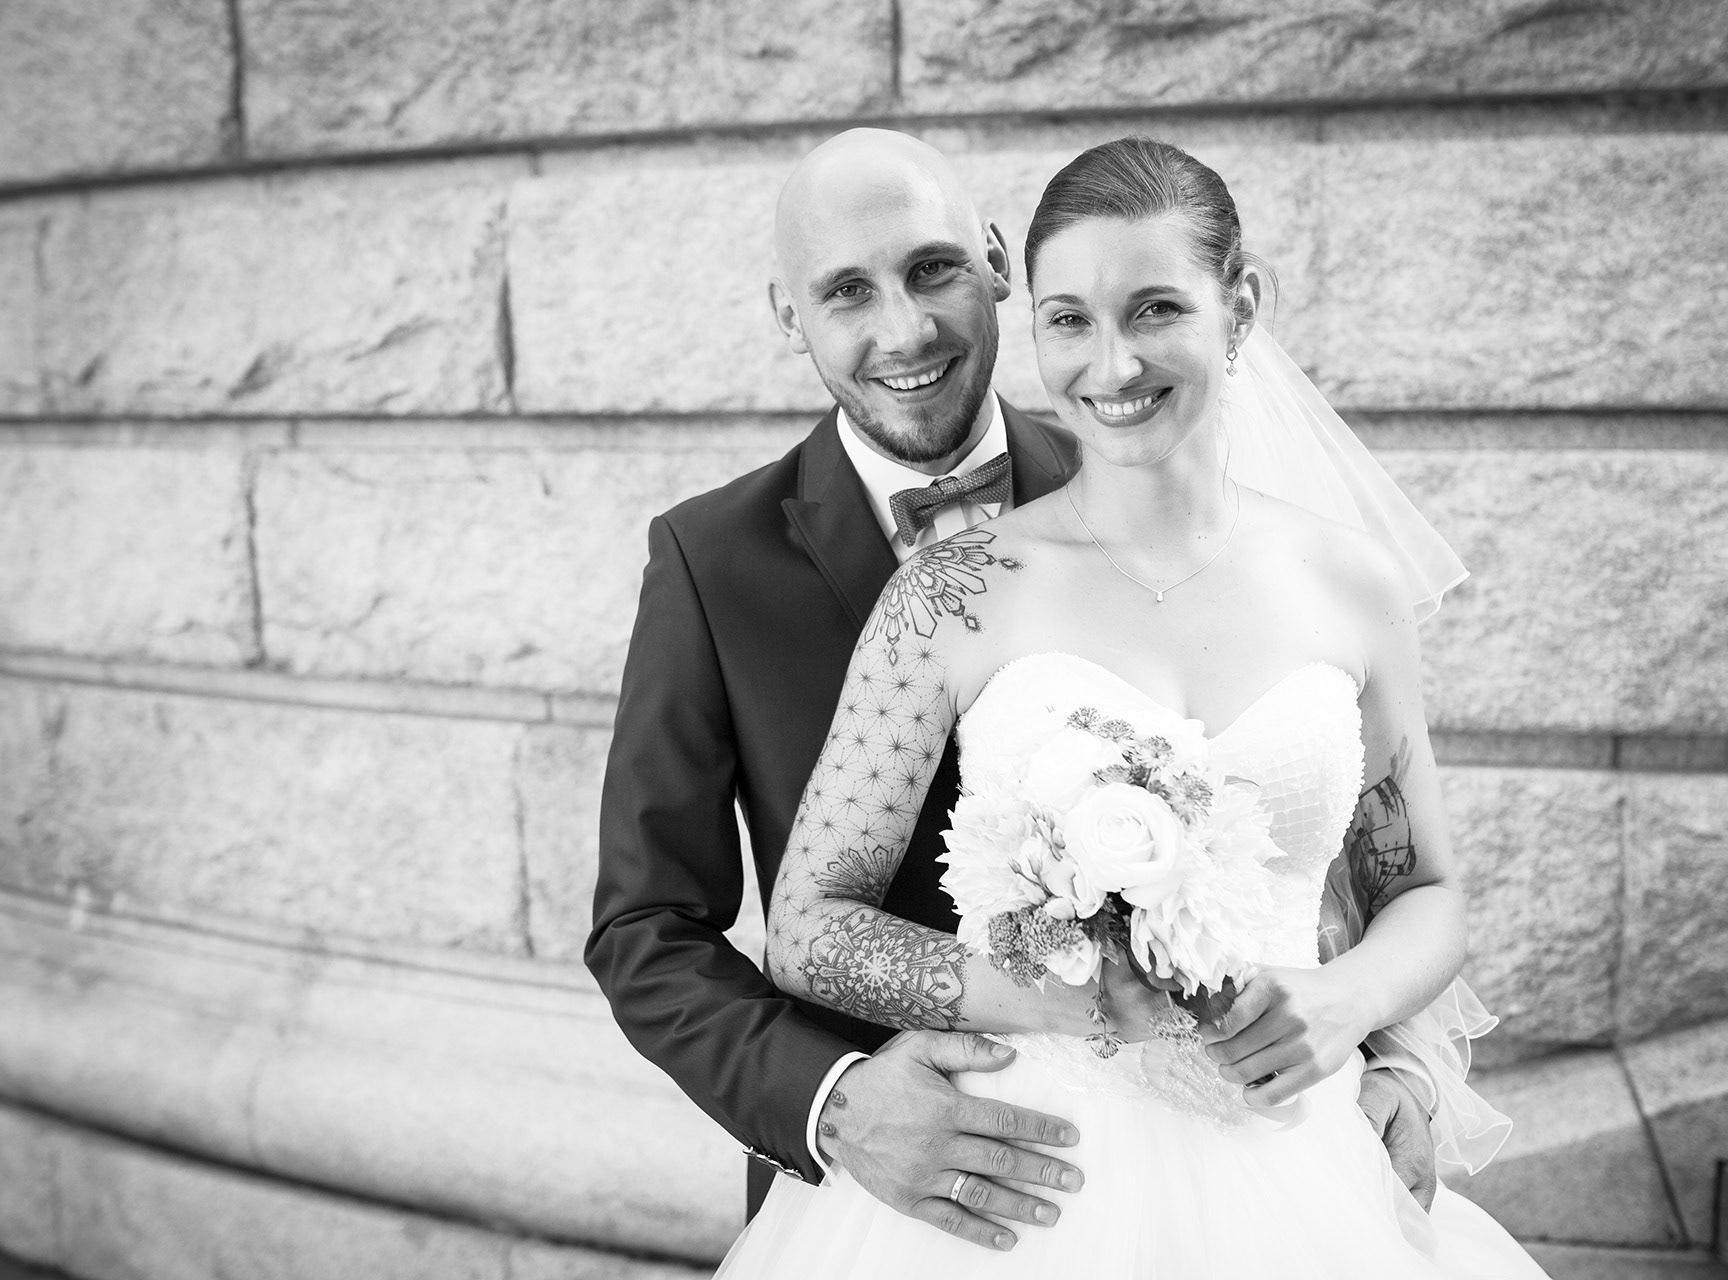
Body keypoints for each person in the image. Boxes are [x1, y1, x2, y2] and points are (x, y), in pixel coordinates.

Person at [585, 126, 1443, 1255]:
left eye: (933, 268)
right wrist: (833, 1099)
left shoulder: (1182, 478)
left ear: (995, 266)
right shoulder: (712, 562)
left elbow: (1350, 846)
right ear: (791, 316)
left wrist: (1397, 1052)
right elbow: (650, 924)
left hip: (1285, 1148)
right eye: (848, 291)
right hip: (931, 1186)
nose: (905, 329)